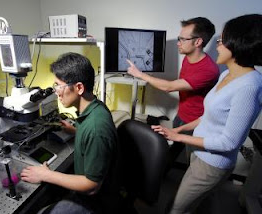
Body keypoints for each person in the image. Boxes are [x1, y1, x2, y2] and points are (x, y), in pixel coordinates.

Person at [153, 14, 262, 213]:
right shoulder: (226, 75)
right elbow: (207, 117)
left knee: (176, 208)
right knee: (199, 203)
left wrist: (178, 136)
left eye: (221, 41)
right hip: (199, 153)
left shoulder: (249, 86)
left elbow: (229, 142)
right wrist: (181, 129)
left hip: (213, 163)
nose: (217, 45)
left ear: (239, 44)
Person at [21, 52, 118, 214]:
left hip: (95, 202)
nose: (56, 92)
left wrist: (46, 175)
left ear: (79, 87)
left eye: (59, 85)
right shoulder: (96, 107)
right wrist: (76, 130)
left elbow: (91, 186)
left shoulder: (96, 129)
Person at [127, 17, 219, 166]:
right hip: (181, 115)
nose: (178, 43)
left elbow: (169, 87)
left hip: (196, 123)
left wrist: (140, 74)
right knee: (171, 150)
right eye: (178, 38)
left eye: (182, 39)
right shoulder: (188, 58)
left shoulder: (208, 70)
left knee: (194, 162)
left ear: (198, 42)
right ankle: (159, 177)